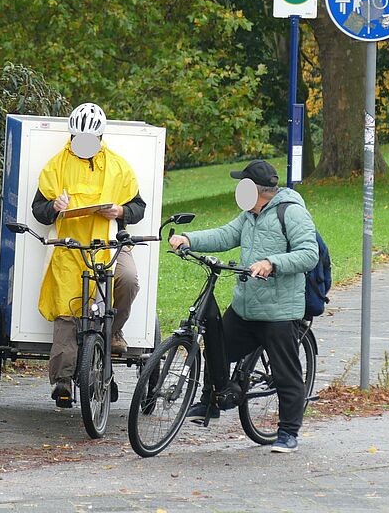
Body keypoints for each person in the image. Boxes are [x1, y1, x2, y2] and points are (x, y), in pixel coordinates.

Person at [169, 159, 318, 453]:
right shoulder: (249, 215)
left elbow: (308, 254)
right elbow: (225, 235)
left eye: (242, 184)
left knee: (285, 372)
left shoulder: (292, 212)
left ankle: (289, 432)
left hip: (279, 311)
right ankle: (209, 402)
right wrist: (189, 238)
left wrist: (271, 263)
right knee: (216, 347)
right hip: (246, 307)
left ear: (255, 189)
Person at [31, 103, 146, 407]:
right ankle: (62, 381)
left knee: (128, 279)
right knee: (67, 310)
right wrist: (53, 207)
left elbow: (139, 208)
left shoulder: (119, 167)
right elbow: (38, 211)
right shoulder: (55, 166)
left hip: (108, 244)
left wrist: (120, 211)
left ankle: (115, 332)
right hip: (70, 247)